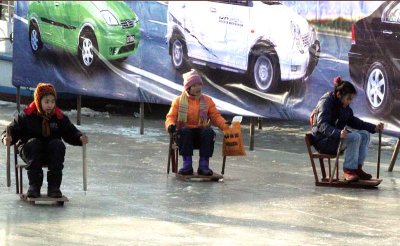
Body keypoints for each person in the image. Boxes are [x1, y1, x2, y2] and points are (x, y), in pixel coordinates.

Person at [1, 83, 89, 198]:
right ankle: (34, 187)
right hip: (30, 151)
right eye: (46, 102)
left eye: (52, 101)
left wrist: (79, 137)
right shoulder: (26, 115)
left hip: (50, 153)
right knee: (34, 144)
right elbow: (10, 130)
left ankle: (54, 188)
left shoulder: (59, 117)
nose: (50, 105)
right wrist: (6, 138)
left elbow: (70, 131)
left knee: (58, 144)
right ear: (38, 101)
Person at [311, 76, 384, 181]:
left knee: (364, 134)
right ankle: (348, 171)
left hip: (334, 139)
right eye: (348, 98)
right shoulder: (326, 102)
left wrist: (374, 128)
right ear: (338, 94)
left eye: (351, 99)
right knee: (354, 137)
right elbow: (322, 125)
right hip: (323, 141)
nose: (350, 101)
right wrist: (338, 133)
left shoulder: (343, 106)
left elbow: (354, 121)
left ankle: (357, 169)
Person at [165, 69, 229, 176]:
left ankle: (203, 166)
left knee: (208, 132)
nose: (198, 87)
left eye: (199, 84)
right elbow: (170, 117)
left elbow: (216, 116)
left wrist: (226, 126)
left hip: (201, 134)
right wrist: (170, 125)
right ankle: (187, 165)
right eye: (194, 85)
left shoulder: (207, 101)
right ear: (188, 88)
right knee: (185, 131)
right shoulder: (178, 101)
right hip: (184, 135)